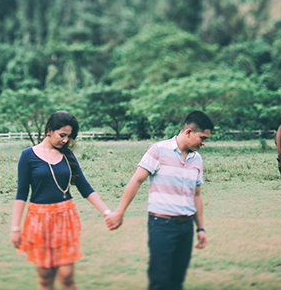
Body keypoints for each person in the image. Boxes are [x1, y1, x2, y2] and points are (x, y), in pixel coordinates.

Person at [105, 110, 213, 290]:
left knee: (177, 280)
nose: (203, 143)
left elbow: (196, 194)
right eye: (202, 138)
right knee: (160, 281)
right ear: (188, 132)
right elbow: (136, 181)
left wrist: (200, 229)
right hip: (162, 225)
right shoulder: (158, 150)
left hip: (186, 227)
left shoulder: (197, 159)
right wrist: (120, 212)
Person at [11, 110, 112, 290]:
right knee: (45, 278)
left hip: (65, 218)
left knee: (67, 277)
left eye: (69, 137)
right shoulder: (28, 156)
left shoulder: (68, 156)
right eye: (62, 135)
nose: (65, 140)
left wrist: (107, 213)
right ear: (49, 130)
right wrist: (15, 228)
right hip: (39, 220)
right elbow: (21, 194)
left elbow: (85, 187)